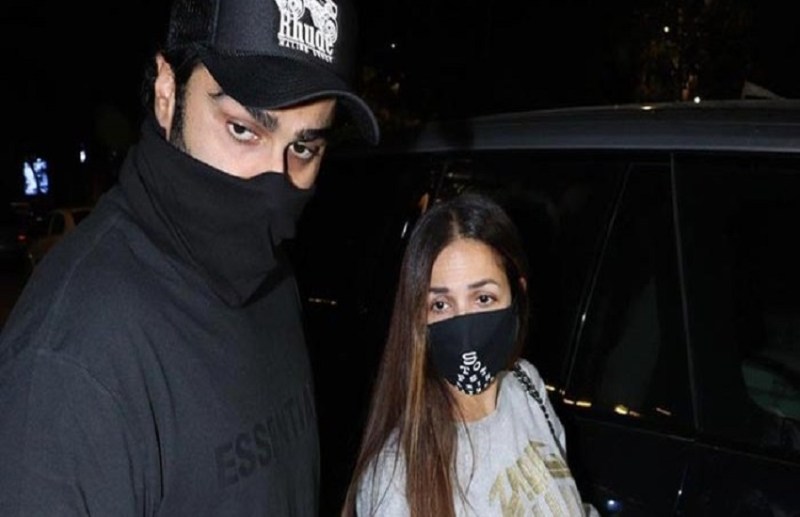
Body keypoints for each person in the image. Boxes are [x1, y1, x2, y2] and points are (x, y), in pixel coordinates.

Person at [0, 0, 378, 514]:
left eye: (304, 147)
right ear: (166, 92)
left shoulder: (273, 276)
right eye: (242, 129)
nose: (276, 182)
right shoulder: (71, 363)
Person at [341, 192, 598, 516]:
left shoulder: (524, 383)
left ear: (516, 293)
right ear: (417, 317)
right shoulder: (396, 481)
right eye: (440, 304)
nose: (464, 325)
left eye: (483, 298)